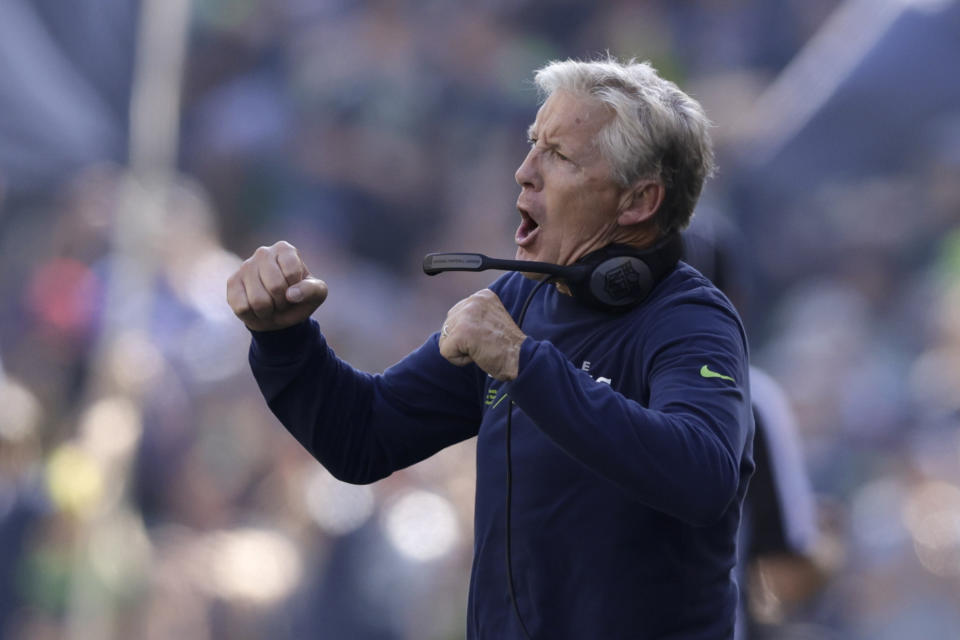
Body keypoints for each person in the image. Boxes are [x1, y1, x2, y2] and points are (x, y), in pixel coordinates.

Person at [227, 57, 754, 639]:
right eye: (533, 145)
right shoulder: (518, 302)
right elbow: (363, 437)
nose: (524, 172)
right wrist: (284, 340)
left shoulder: (691, 320)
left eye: (559, 155)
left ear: (638, 201)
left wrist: (525, 363)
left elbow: (702, 476)